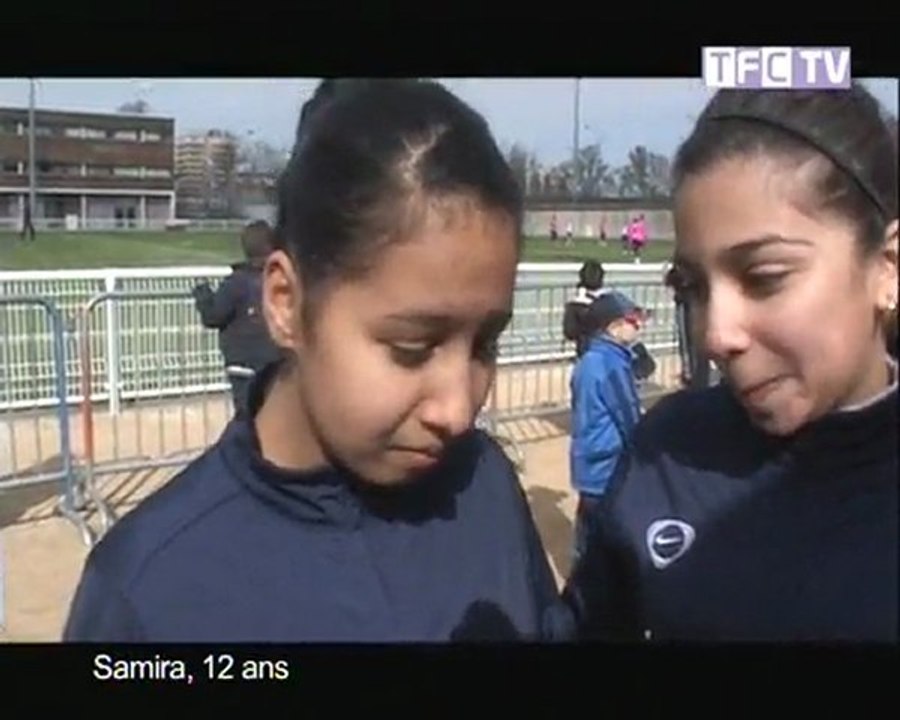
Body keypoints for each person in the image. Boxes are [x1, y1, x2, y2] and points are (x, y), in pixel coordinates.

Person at [63, 78, 559, 643]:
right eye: (412, 349)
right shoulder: (149, 590)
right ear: (286, 303)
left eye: (484, 345)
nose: (459, 411)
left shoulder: (483, 482)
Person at [558, 83, 898, 642]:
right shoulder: (666, 450)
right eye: (692, 286)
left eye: (764, 278)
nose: (716, 336)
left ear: (887, 267)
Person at [568, 291, 644, 565]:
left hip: (587, 460)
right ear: (613, 327)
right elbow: (628, 416)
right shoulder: (611, 364)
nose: (639, 326)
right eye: (633, 320)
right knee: (608, 533)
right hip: (607, 464)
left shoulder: (588, 360)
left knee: (587, 529)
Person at [192, 220, 281, 416]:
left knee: (248, 418)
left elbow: (213, 316)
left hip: (243, 365)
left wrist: (203, 296)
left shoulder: (236, 283)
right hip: (276, 364)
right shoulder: (280, 281)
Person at [562, 260, 610, 357]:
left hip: (585, 352)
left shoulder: (574, 304)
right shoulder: (611, 301)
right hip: (609, 352)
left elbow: (570, 332)